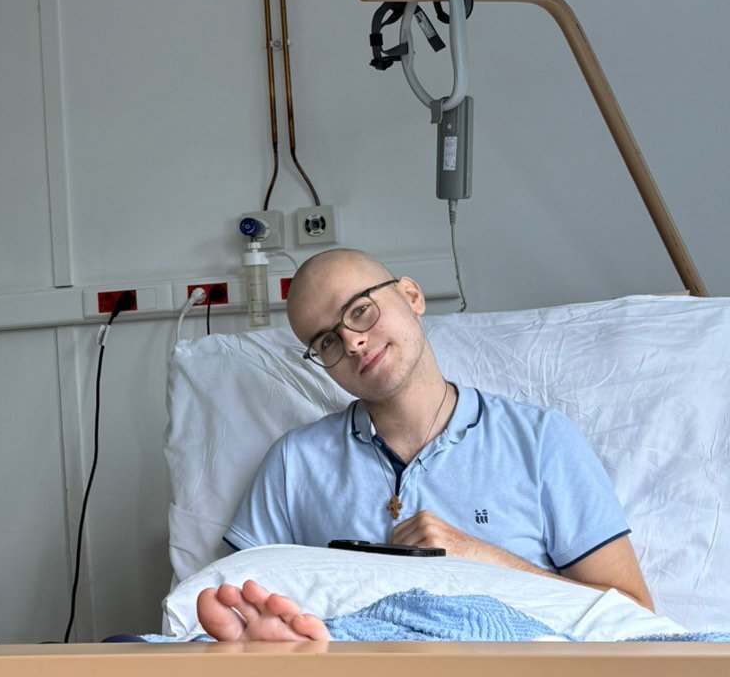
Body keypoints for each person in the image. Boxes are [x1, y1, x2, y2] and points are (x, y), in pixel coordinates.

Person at [199, 248, 652, 641]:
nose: (353, 342)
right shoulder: (294, 462)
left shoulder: (540, 441)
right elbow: (229, 604)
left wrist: (476, 555)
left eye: (360, 310)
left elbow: (633, 615)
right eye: (327, 341)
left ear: (412, 296)